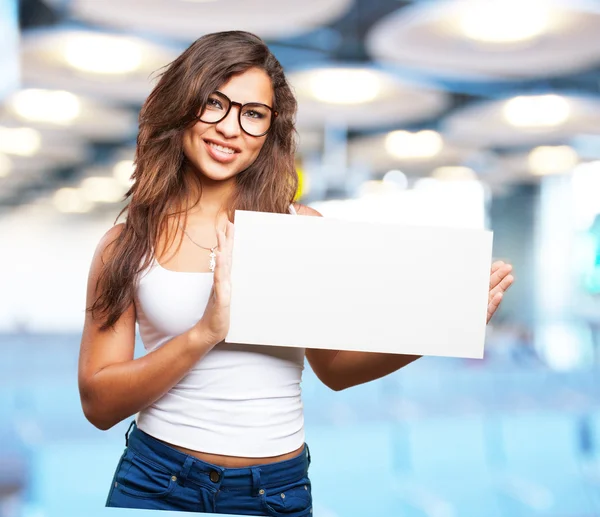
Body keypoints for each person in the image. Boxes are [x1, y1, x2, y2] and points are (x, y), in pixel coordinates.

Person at [77, 30, 514, 516]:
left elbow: (335, 369)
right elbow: (99, 404)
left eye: (253, 114)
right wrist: (205, 332)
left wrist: (443, 324)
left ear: (269, 129)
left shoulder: (298, 230)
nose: (231, 128)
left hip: (275, 491)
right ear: (183, 106)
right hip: (159, 480)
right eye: (214, 103)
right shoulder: (125, 245)